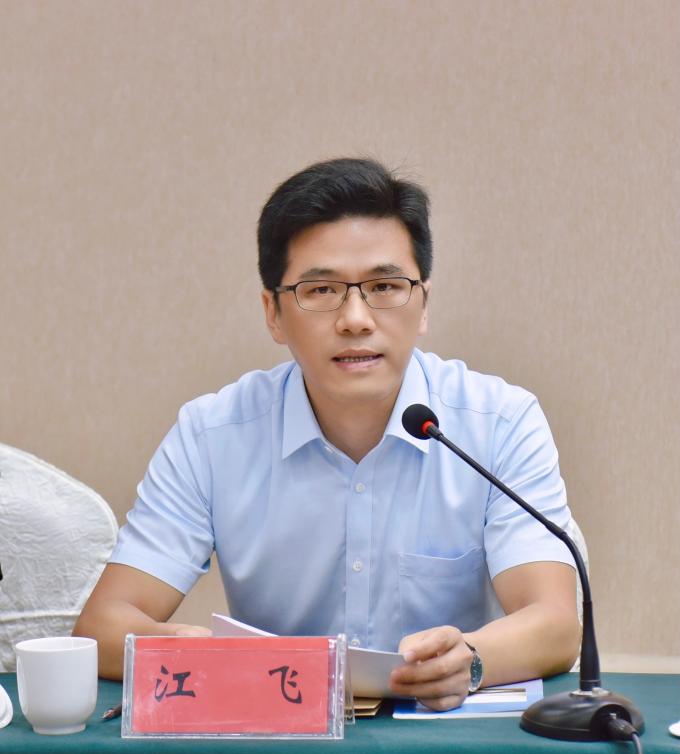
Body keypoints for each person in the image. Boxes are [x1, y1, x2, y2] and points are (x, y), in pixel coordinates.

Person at [74, 158, 580, 711]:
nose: (355, 318)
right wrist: (188, 651)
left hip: (439, 734)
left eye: (385, 286)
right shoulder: (212, 436)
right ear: (273, 313)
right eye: (321, 290)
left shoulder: (499, 423)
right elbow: (102, 626)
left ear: (423, 305)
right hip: (280, 737)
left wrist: (471, 659)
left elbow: (556, 624)